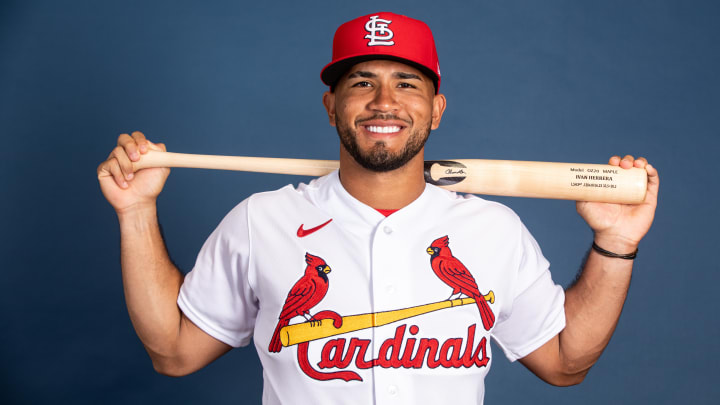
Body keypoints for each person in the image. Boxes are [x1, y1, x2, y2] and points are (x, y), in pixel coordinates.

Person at [97, 12, 659, 405]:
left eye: (406, 84)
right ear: (332, 106)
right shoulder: (260, 221)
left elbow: (564, 365)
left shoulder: (494, 230)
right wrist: (136, 210)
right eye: (362, 82)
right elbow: (173, 352)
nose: (384, 102)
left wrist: (617, 244)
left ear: (435, 109)